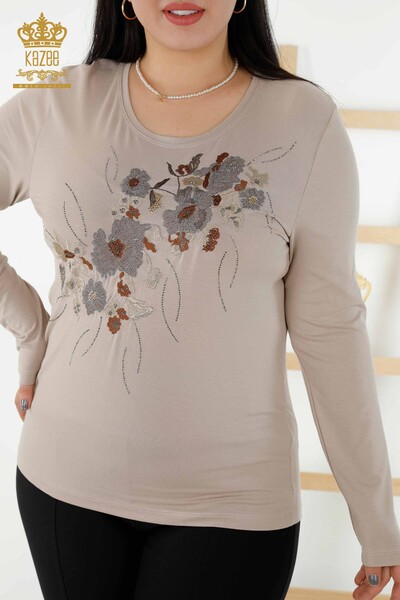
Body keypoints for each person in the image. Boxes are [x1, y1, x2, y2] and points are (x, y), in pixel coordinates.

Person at [1, 0, 400, 598]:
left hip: (234, 507)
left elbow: (330, 329)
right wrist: (32, 331)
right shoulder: (57, 103)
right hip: (63, 483)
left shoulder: (303, 121)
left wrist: (377, 522)